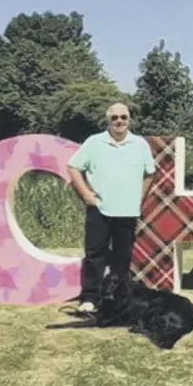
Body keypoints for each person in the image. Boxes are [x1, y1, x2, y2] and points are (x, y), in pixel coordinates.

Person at [67, 102, 155, 314]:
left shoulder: (140, 144)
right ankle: (89, 297)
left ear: (129, 119)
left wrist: (138, 198)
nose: (119, 121)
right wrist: (86, 195)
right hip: (100, 208)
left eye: (123, 117)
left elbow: (150, 173)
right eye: (114, 117)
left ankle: (119, 298)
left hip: (127, 209)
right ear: (108, 120)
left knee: (122, 256)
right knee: (95, 253)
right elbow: (73, 167)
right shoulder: (94, 142)